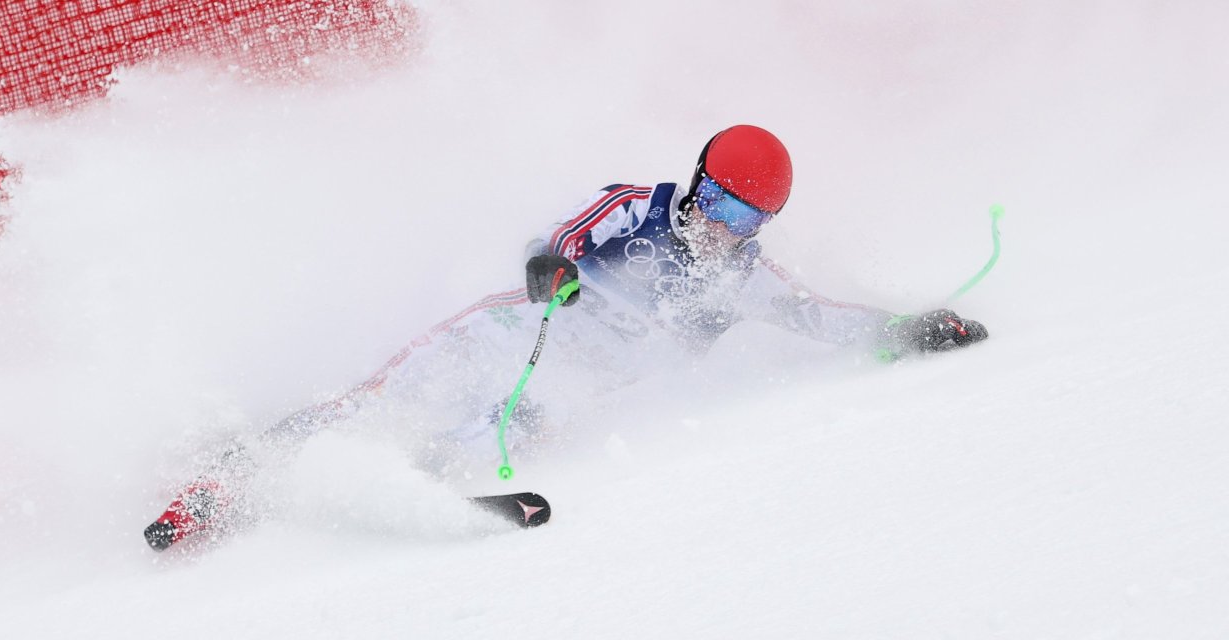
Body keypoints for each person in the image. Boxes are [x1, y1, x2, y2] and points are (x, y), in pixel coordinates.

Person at [143, 124, 988, 550]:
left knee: (494, 429)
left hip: (559, 384)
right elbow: (558, 239)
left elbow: (820, 316)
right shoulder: (638, 208)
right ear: (697, 182)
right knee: (381, 400)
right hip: (507, 331)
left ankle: (403, 486)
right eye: (718, 203)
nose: (722, 227)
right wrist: (553, 267)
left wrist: (906, 327)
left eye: (745, 218)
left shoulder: (745, 277)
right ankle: (232, 474)